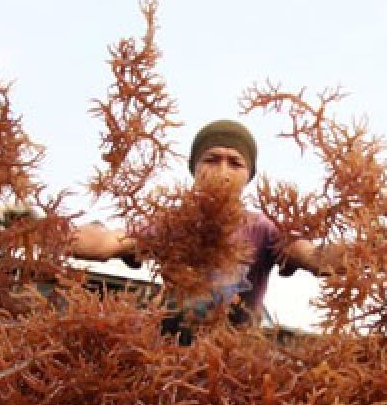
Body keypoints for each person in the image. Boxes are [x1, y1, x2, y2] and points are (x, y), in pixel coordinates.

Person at [54, 120, 335, 339]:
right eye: (211, 159)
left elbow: (311, 256)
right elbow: (107, 243)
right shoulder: (170, 225)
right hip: (173, 349)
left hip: (234, 356)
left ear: (248, 175)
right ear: (194, 168)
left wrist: (363, 252)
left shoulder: (263, 230)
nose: (222, 171)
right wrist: (45, 230)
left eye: (235, 162)